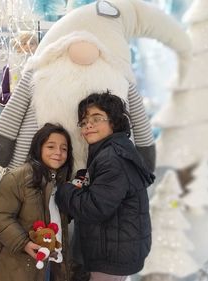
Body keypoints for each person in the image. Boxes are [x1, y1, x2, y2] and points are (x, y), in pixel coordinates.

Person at [56, 92, 155, 281]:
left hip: (112, 256)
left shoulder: (112, 157)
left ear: (114, 122)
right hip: (119, 250)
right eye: (83, 122)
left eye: (96, 118)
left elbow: (94, 207)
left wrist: (64, 190)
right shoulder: (114, 151)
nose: (88, 125)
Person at [0, 123, 74, 281]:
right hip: (19, 266)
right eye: (51, 146)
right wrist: (24, 243)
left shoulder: (63, 183)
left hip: (52, 262)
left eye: (64, 148)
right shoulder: (17, 178)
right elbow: (0, 216)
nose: (58, 153)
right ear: (38, 147)